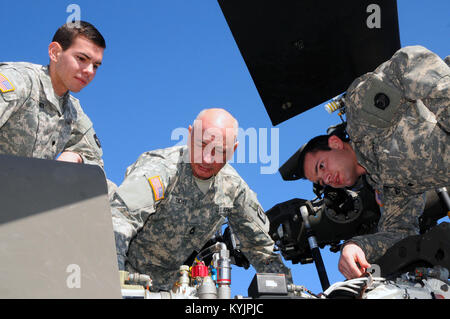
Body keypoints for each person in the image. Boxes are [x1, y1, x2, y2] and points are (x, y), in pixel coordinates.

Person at [292, 45, 449, 279]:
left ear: (335, 143)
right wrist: (356, 246)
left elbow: (409, 62)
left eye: (321, 166)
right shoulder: (388, 187)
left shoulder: (361, 115)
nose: (327, 179)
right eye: (321, 181)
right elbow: (400, 233)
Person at [111, 108, 292, 291]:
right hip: (127, 277)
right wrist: (110, 283)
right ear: (190, 135)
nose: (207, 158)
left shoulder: (233, 189)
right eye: (202, 145)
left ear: (233, 150)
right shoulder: (161, 168)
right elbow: (119, 220)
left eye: (219, 151)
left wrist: (287, 291)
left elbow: (261, 249)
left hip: (176, 289)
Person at [0, 21, 105, 166]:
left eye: (95, 66)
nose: (89, 71)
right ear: (55, 53)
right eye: (81, 59)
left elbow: (95, 162)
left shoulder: (73, 111)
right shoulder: (19, 82)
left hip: (30, 186)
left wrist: (76, 156)